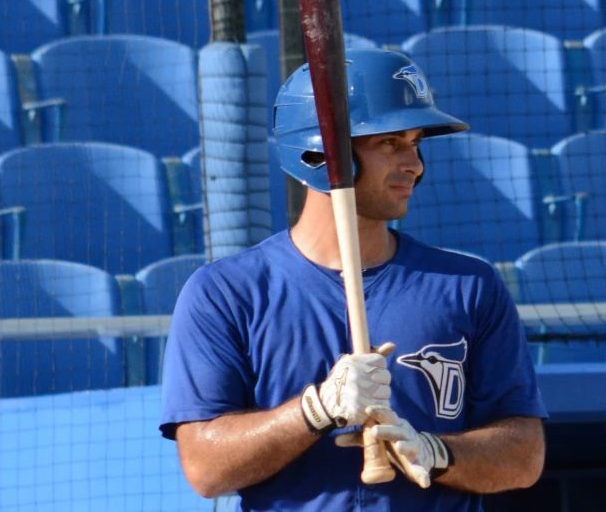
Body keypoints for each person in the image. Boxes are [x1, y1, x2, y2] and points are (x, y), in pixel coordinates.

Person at [159, 48, 548, 511]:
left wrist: (438, 452)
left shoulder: (467, 285)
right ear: (320, 152)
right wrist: (316, 410)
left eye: (416, 142)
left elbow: (525, 455)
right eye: (390, 143)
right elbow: (206, 468)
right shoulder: (225, 293)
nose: (415, 164)